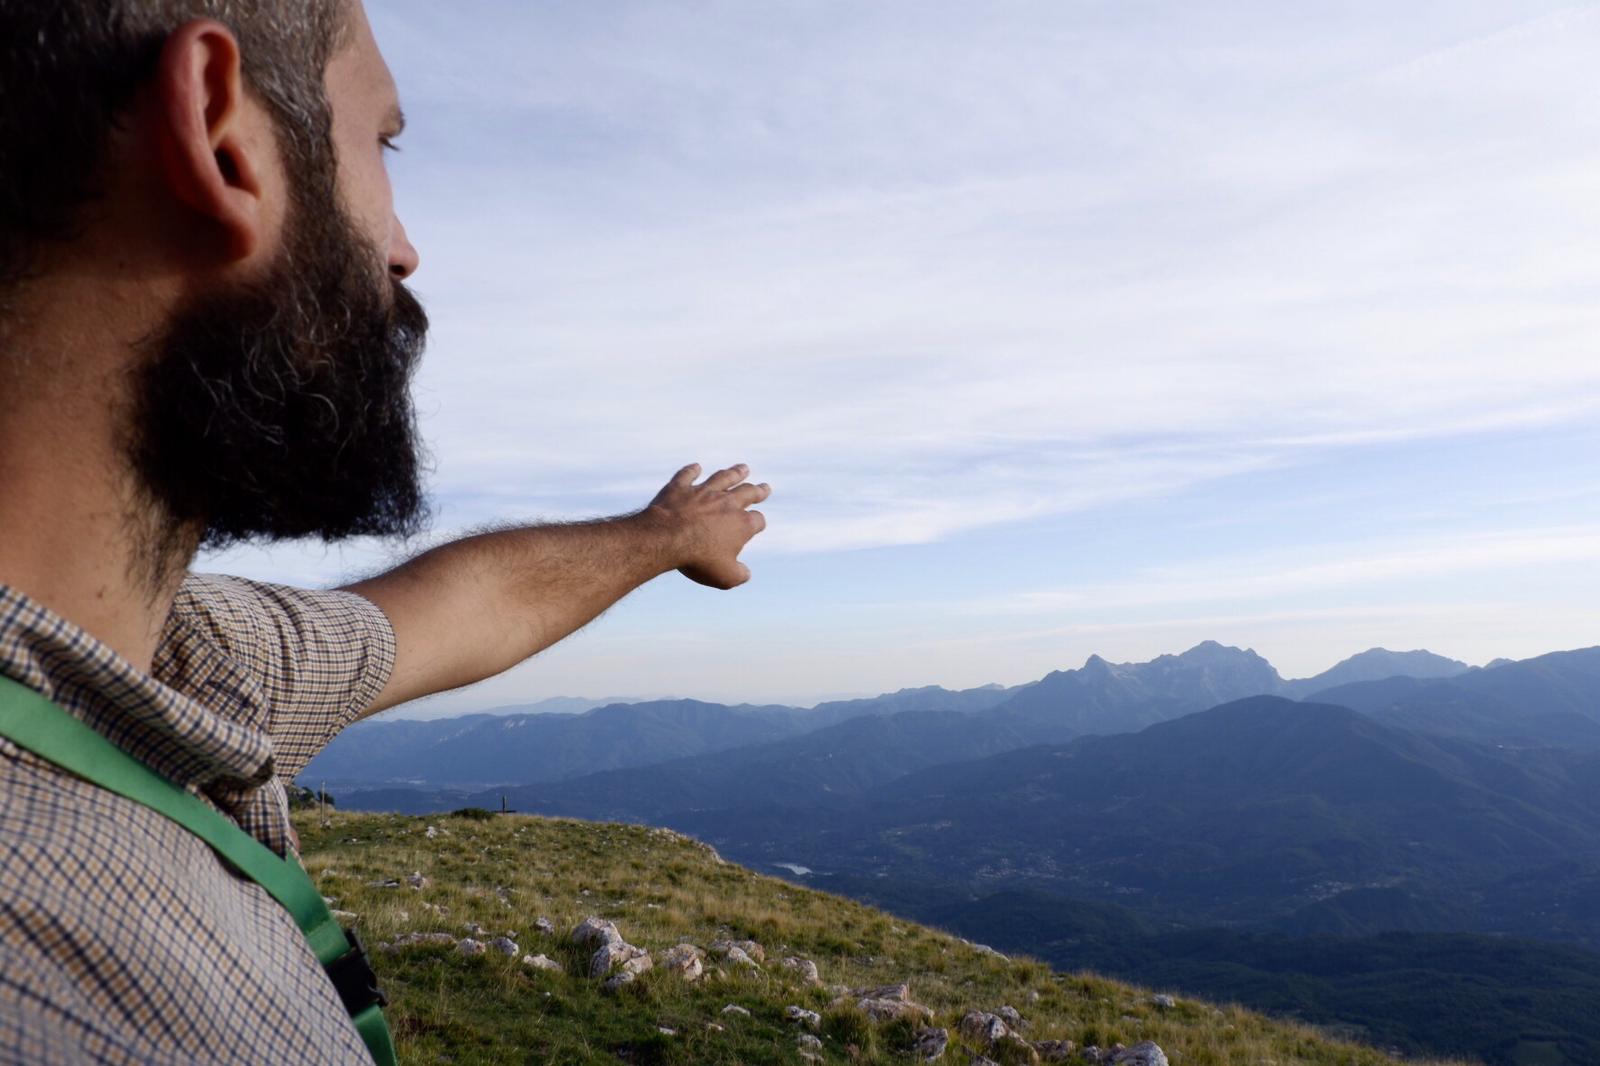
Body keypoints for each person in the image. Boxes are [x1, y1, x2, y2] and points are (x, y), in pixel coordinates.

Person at [0, 0, 769, 1060]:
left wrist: (665, 532)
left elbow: (454, 610)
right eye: (383, 141)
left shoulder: (182, 656)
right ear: (223, 140)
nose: (405, 253)